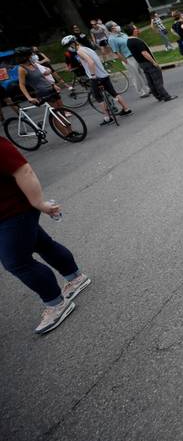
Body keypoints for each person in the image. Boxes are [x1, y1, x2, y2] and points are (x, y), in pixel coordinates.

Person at [0, 136, 91, 334]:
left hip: (13, 212)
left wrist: (39, 203)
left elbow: (24, 171)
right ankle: (75, 278)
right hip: (10, 213)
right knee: (42, 243)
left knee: (16, 262)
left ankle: (56, 303)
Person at [63, 35, 133, 125]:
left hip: (95, 76)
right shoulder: (87, 49)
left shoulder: (80, 51)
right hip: (104, 74)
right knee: (114, 93)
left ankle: (108, 118)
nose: (69, 48)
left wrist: (93, 75)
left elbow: (90, 62)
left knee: (98, 97)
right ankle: (126, 109)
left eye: (69, 45)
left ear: (72, 43)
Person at [14, 47, 73, 137]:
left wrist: (53, 85)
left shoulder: (34, 64)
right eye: (30, 54)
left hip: (51, 89)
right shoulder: (22, 69)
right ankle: (66, 135)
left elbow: (43, 77)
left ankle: (71, 132)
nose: (32, 56)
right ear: (25, 56)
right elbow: (21, 85)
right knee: (55, 114)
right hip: (43, 92)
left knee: (62, 112)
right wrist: (29, 97)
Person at [122, 24, 176, 101]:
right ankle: (166, 96)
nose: (137, 29)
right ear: (133, 31)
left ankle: (158, 96)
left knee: (150, 81)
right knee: (157, 80)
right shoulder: (137, 41)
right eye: (136, 28)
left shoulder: (128, 41)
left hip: (142, 63)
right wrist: (154, 62)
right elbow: (144, 53)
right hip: (148, 63)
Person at [106, 21, 151, 99]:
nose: (117, 26)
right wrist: (125, 61)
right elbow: (116, 52)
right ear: (111, 28)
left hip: (136, 56)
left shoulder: (123, 34)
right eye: (115, 25)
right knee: (135, 76)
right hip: (128, 58)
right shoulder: (112, 39)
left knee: (142, 72)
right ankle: (141, 92)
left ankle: (148, 88)